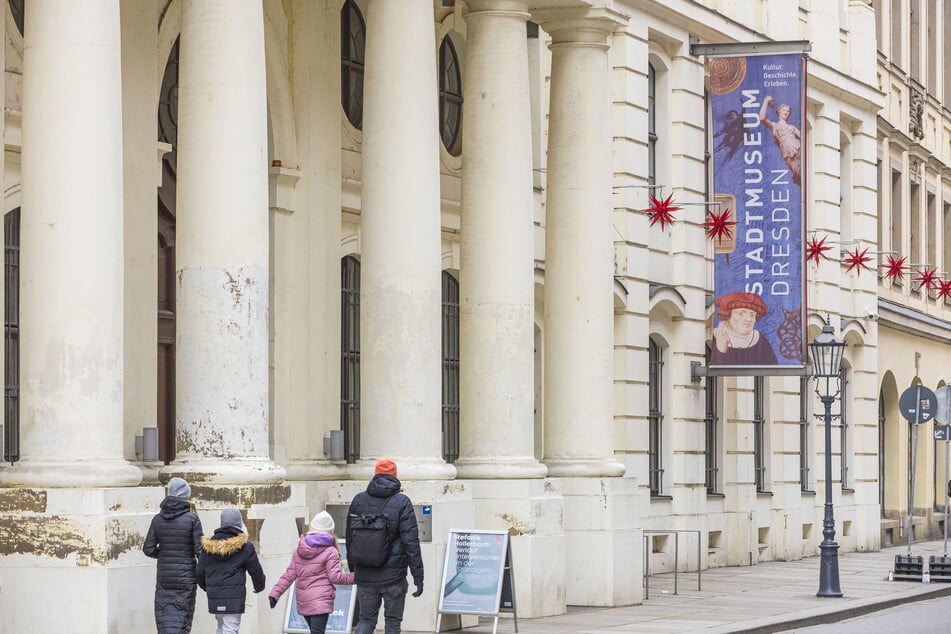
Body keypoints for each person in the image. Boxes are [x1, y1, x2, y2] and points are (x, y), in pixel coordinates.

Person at [346, 458, 423, 634]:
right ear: (395, 476)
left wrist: (354, 570)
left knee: (365, 621)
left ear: (375, 475)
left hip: (365, 574)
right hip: (394, 577)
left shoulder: (358, 500)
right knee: (393, 623)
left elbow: (350, 538)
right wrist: (418, 577)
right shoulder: (402, 502)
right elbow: (411, 543)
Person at [268, 510, 356, 634]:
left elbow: (289, 574)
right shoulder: (331, 551)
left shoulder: (300, 548)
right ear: (331, 530)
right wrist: (358, 577)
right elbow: (335, 577)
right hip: (321, 601)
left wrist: (275, 593)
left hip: (304, 600)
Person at [143, 476, 203, 634]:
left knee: (165, 615)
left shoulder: (157, 519)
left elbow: (148, 549)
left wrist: (163, 555)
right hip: (186, 575)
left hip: (165, 575)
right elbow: (200, 551)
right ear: (186, 496)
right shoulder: (192, 519)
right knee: (183, 616)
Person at [195, 508, 266, 634]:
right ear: (238, 524)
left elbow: (199, 574)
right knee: (230, 629)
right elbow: (255, 571)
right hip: (234, 599)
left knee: (221, 627)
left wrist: (210, 588)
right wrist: (259, 586)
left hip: (215, 597)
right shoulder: (245, 546)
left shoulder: (208, 547)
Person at [711, 291, 778, 366]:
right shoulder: (712, 338)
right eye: (741, 313)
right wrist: (721, 350)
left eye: (752, 315)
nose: (749, 319)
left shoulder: (760, 340)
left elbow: (773, 372)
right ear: (727, 315)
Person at [758, 95, 801, 186]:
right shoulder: (774, 126)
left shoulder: (792, 127)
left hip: (799, 150)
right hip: (789, 154)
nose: (786, 112)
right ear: (779, 112)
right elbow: (762, 118)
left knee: (804, 171)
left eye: (788, 111)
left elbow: (804, 138)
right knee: (798, 175)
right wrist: (766, 101)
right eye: (784, 110)